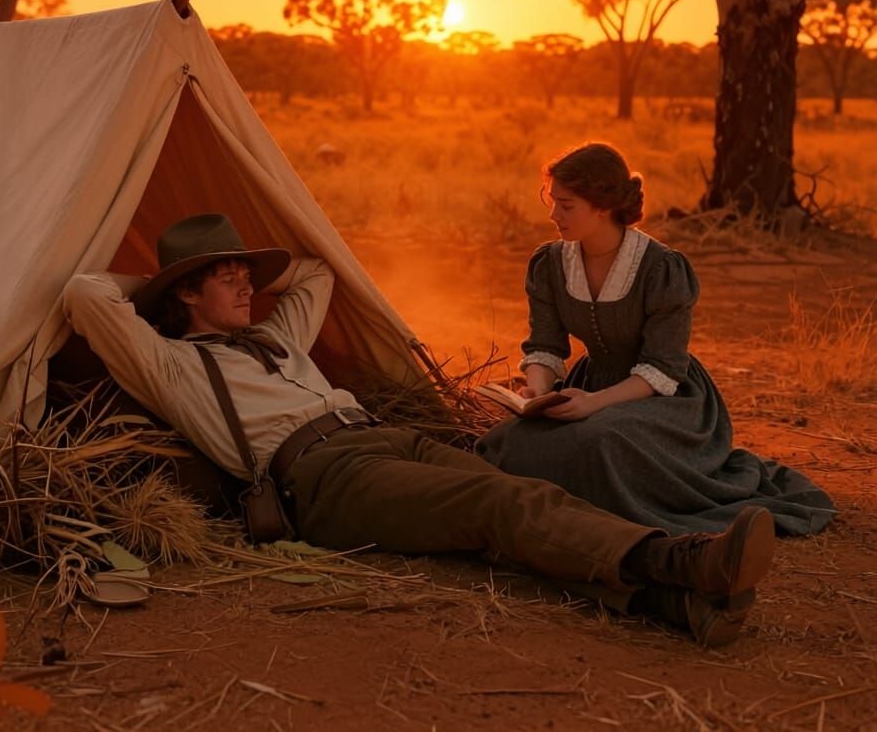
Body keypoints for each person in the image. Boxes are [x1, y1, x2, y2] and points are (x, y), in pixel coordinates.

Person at [64, 212, 780, 648]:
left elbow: (315, 273)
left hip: (379, 438)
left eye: (246, 274)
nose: (249, 286)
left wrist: (236, 282)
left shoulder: (274, 336)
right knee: (498, 505)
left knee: (520, 496)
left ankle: (672, 605)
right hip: (324, 478)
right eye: (228, 278)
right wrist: (161, 287)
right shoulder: (171, 365)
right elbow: (84, 293)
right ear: (187, 293)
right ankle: (683, 561)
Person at [476, 142, 836, 537]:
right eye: (552, 201)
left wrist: (594, 403)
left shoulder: (661, 268)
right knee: (506, 441)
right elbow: (545, 344)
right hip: (587, 387)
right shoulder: (550, 264)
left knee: (600, 439)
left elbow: (663, 368)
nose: (553, 215)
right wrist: (538, 392)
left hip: (665, 397)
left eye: (566, 205)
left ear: (602, 207)